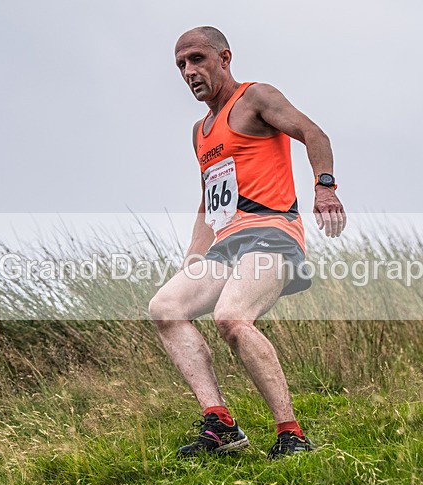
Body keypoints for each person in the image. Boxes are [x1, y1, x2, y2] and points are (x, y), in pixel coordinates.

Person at [148, 26, 346, 458]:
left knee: (231, 318)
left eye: (197, 59)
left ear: (224, 58)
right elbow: (208, 203)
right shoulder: (200, 131)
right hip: (226, 244)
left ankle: (291, 434)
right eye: (181, 64)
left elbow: (315, 134)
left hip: (273, 234)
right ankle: (220, 424)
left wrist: (325, 187)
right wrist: (192, 261)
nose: (189, 71)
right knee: (165, 307)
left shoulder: (256, 98)